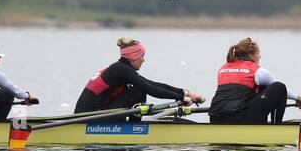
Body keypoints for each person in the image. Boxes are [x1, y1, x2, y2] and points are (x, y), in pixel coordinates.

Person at [75, 37, 205, 117]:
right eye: (141, 56)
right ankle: (134, 129)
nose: (143, 60)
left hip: (94, 113)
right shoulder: (121, 69)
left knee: (139, 87)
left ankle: (132, 124)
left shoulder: (121, 68)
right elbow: (150, 89)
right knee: (138, 90)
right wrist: (181, 98)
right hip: (88, 117)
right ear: (134, 57)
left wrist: (187, 93)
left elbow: (152, 84)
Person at [209, 37, 301, 124]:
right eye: (258, 53)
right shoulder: (256, 70)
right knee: (279, 87)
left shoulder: (224, 68)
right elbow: (280, 91)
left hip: (215, 118)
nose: (260, 56)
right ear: (251, 54)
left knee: (261, 87)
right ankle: (276, 129)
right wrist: (298, 98)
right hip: (239, 118)